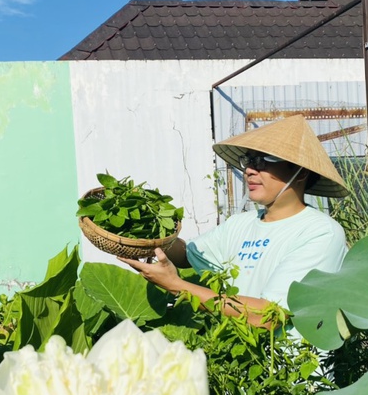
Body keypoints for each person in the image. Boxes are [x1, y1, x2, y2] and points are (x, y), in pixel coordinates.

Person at [120, 114, 349, 328]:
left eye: (261, 161)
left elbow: (268, 316)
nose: (249, 170)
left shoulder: (321, 233)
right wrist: (150, 231)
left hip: (291, 369)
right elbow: (187, 255)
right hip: (240, 367)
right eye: (248, 160)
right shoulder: (240, 224)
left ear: (299, 172)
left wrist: (177, 285)